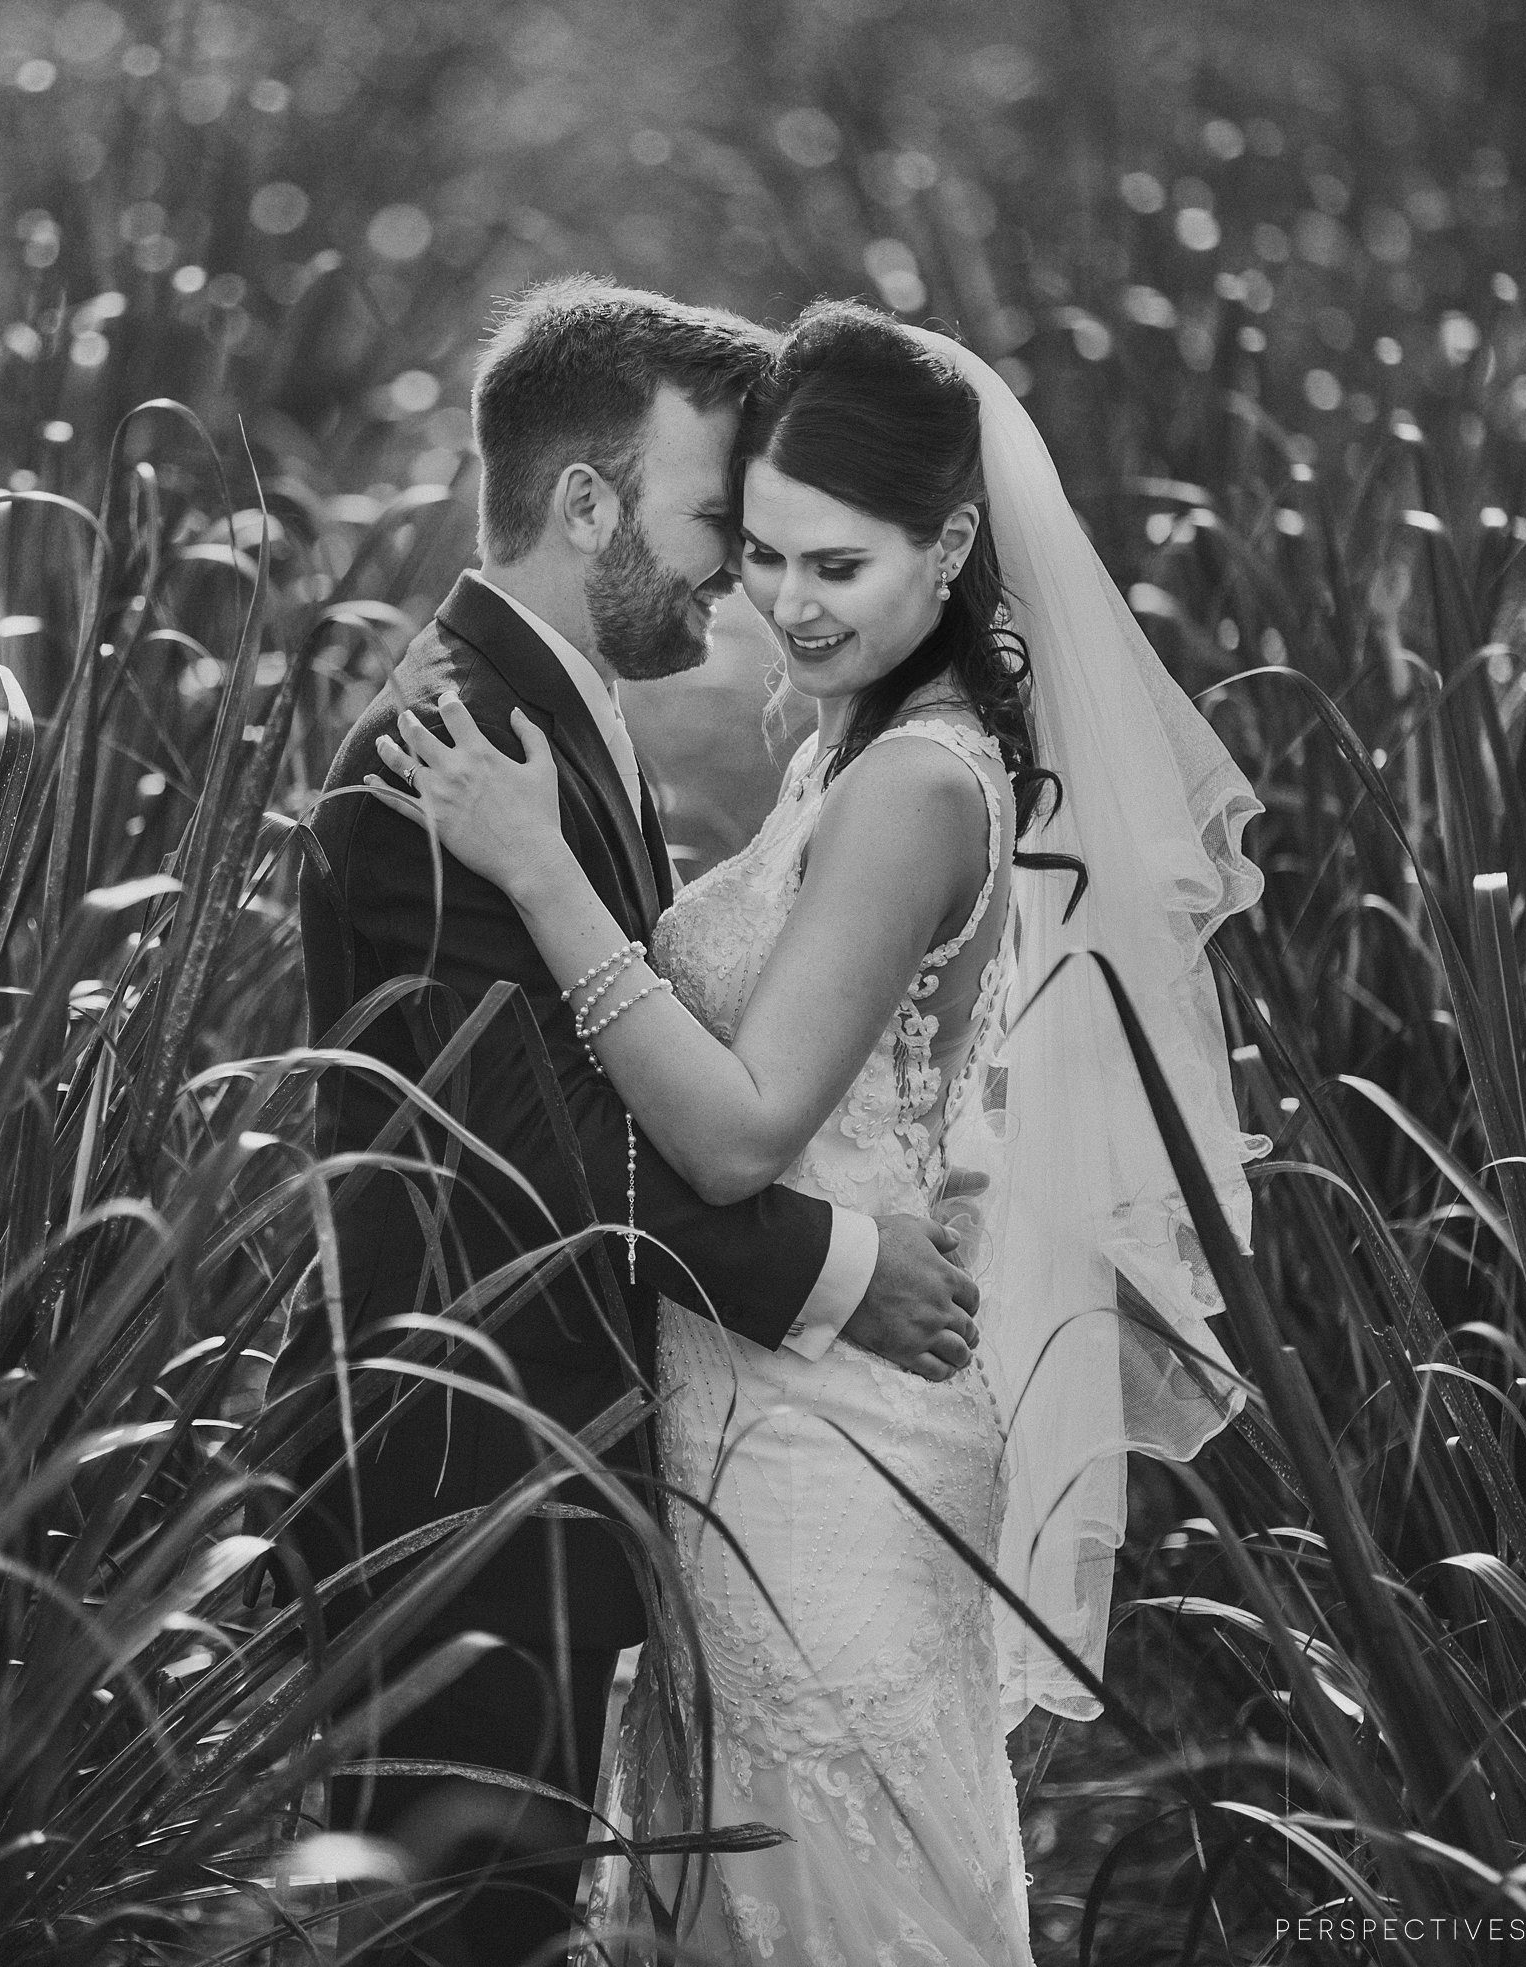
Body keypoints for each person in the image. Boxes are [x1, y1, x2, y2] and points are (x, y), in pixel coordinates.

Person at [370, 299, 1265, 1962]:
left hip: (827, 1452)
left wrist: (547, 878)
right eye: (762, 551)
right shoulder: (846, 756)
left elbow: (740, 1139)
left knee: (831, 1896)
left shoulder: (914, 787)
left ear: (945, 550)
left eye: (834, 568)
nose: (780, 603)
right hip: (738, 1423)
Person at [287, 280, 991, 1967]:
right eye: (712, 523)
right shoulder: (446, 747)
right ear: (588, 500)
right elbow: (531, 1147)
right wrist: (828, 1266)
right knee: (455, 1929)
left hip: (567, 1455)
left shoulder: (555, 707)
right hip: (457, 1474)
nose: (732, 575)